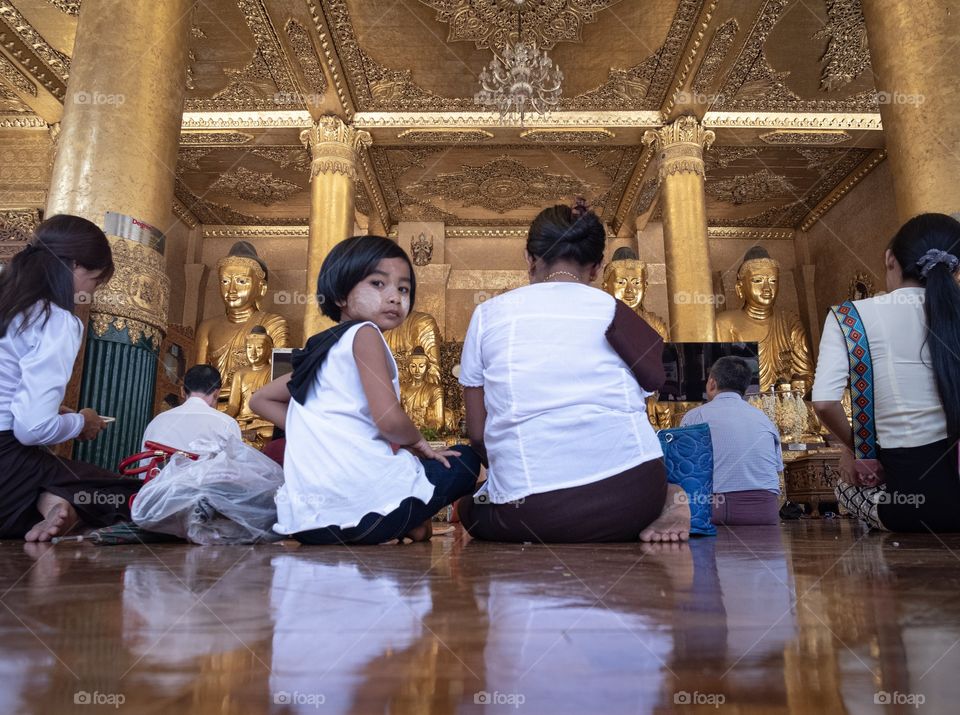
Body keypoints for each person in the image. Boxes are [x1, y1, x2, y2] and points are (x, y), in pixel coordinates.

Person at [455, 201, 689, 543]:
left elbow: (477, 433)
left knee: (468, 509)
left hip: (530, 513)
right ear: (597, 268)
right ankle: (674, 499)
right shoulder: (617, 311)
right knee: (665, 482)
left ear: (530, 258)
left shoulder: (488, 314)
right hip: (636, 498)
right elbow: (655, 384)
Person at [250, 235, 481, 545]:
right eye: (377, 284)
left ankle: (409, 520)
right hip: (363, 516)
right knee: (465, 459)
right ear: (341, 295)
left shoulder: (322, 351)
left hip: (308, 527)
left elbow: (260, 399)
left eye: (403, 289)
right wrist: (420, 444)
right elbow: (388, 418)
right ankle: (407, 519)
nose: (394, 297)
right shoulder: (366, 333)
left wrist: (321, 428)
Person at [813, 213, 960, 532]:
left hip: (908, 509)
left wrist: (855, 449)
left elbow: (824, 403)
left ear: (890, 259)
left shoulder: (849, 317)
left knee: (843, 487)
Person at [0, 214, 140, 541]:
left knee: (56, 470)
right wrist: (82, 423)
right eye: (94, 282)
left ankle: (50, 501)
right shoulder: (55, 319)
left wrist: (54, 411)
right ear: (75, 266)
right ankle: (57, 502)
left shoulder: (9, 305)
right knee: (127, 493)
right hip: (5, 461)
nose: (89, 295)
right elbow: (31, 428)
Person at [680, 356, 782, 525]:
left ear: (712, 383)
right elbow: (777, 469)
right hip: (764, 511)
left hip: (711, 509)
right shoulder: (765, 420)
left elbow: (683, 468)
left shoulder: (695, 416)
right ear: (745, 389)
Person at [141, 364, 241, 451]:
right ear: (217, 393)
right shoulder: (227, 424)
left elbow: (145, 468)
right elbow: (236, 468)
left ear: (182, 392)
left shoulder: (157, 422)